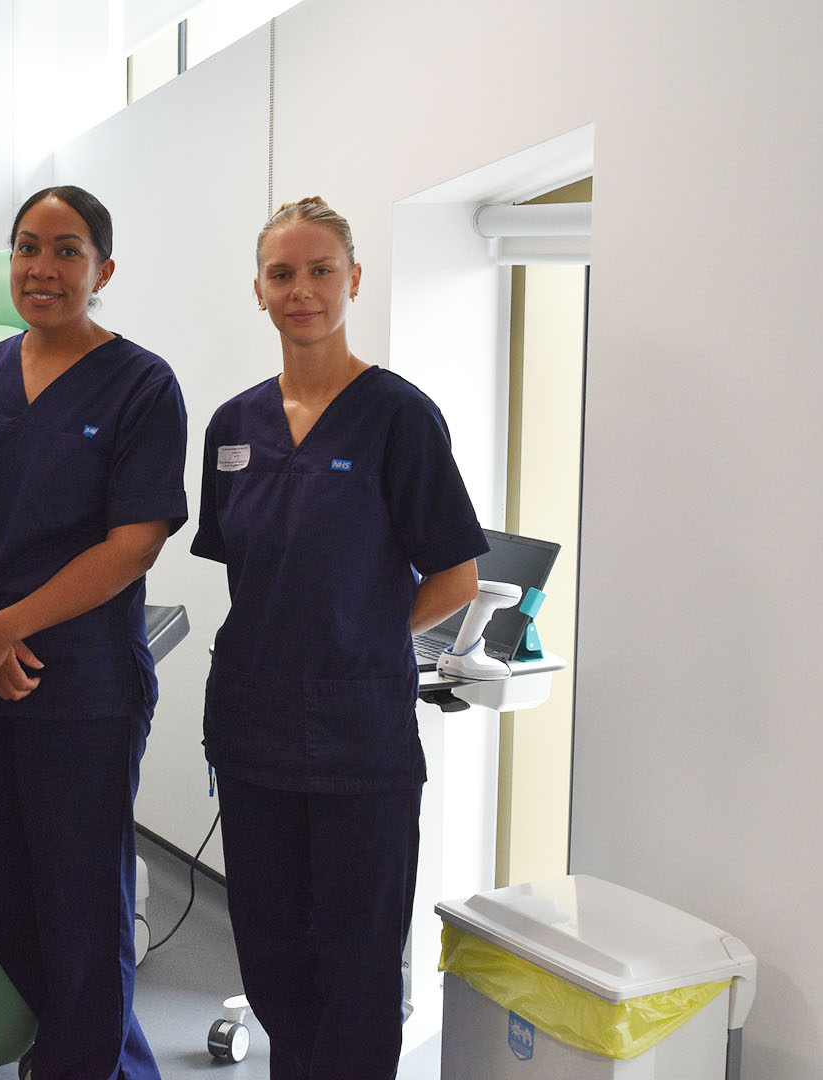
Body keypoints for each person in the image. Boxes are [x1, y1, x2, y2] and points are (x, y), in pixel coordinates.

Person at [192, 196, 485, 1079]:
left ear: (354, 280)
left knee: (356, 968)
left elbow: (455, 577)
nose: (303, 290)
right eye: (283, 273)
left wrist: (358, 638)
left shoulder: (400, 417)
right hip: (253, 730)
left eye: (321, 271)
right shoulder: (233, 427)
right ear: (258, 290)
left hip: (360, 739)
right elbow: (249, 568)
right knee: (273, 958)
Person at [0, 186, 186, 1080]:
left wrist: (7, 628)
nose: (43, 267)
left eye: (67, 250)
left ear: (102, 270)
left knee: (82, 912)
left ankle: (79, 1064)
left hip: (83, 689)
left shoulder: (142, 384)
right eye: (27, 247)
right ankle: (108, 1061)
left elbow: (135, 540)